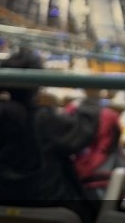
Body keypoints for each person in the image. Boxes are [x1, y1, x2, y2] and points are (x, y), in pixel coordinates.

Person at [0, 48, 99, 222]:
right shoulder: (43, 119)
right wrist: (90, 100)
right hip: (50, 208)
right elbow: (82, 131)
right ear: (38, 85)